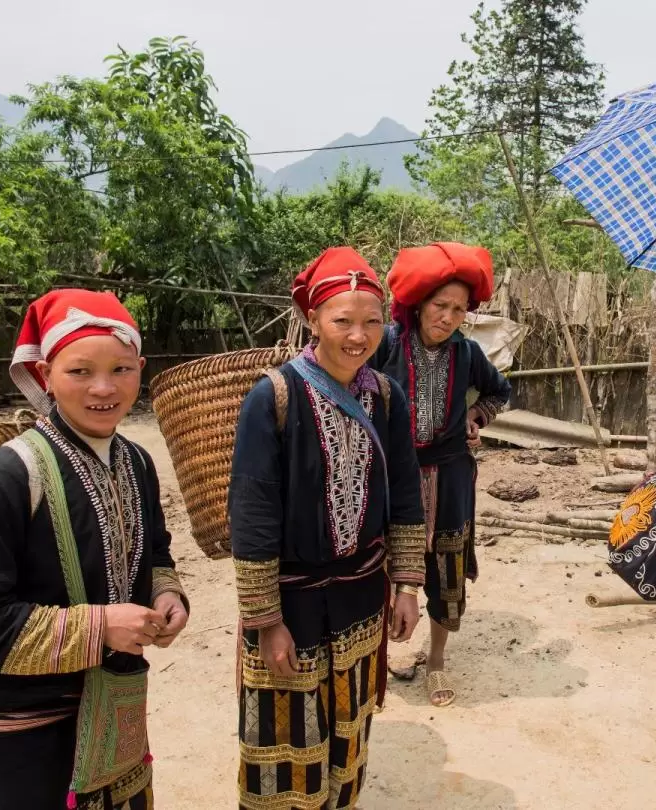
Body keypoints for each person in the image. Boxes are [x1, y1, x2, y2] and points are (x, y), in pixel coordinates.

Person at [0, 289, 189, 810]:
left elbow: (156, 552)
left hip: (114, 722)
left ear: (141, 368)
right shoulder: (4, 479)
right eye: (79, 371)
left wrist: (169, 596)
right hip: (16, 743)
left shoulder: (136, 462)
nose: (103, 388)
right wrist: (101, 627)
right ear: (45, 374)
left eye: (121, 369)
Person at [230, 247, 426, 810]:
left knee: (350, 726)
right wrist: (266, 622)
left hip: (362, 595)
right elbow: (253, 515)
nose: (358, 335)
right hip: (290, 603)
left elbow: (407, 495)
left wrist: (407, 585)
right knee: (284, 739)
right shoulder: (274, 396)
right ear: (312, 319)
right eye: (342, 320)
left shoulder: (386, 397)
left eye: (371, 321)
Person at [372, 242, 512, 707]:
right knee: (382, 564)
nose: (448, 317)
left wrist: (477, 418)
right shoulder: (386, 344)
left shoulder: (467, 353)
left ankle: (435, 660)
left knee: (445, 567)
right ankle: (382, 653)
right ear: (418, 304)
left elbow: (500, 391)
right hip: (393, 475)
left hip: (451, 474)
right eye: (440, 306)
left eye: (458, 309)